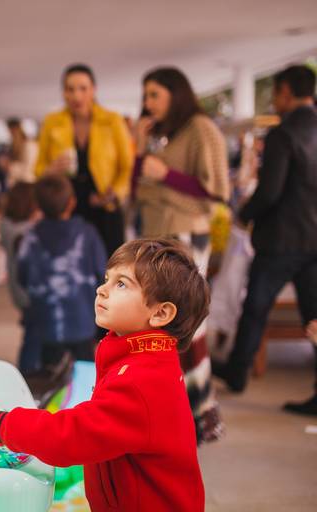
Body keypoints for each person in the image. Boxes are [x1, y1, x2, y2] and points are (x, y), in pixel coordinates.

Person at [0, 238, 208, 512]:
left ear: (160, 313)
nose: (101, 290)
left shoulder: (142, 381)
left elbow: (71, 437)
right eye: (107, 279)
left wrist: (1, 424)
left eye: (121, 284)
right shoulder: (142, 358)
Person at [133, 66, 229, 443]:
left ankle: (204, 412)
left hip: (187, 233)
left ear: (176, 93)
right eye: (145, 96)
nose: (148, 103)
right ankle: (183, 411)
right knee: (167, 325)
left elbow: (217, 189)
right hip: (161, 233)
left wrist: (165, 175)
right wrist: (141, 146)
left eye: (154, 95)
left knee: (187, 325)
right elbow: (139, 182)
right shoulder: (167, 133)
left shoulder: (201, 129)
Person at [215, 65, 317, 416]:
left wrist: (245, 215)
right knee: (315, 317)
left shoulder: (283, 133)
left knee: (255, 307)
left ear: (286, 91)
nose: (275, 100)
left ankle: (238, 372)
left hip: (282, 238)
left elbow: (270, 191)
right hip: (315, 239)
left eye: (275, 92)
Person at [35, 64, 133, 256]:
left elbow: (127, 167)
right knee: (69, 263)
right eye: (70, 89)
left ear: (93, 90)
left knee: (110, 267)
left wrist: (114, 193)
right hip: (66, 206)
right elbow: (38, 169)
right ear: (63, 93)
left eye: (82, 88)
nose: (76, 96)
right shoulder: (52, 122)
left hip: (105, 206)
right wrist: (50, 170)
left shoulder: (112, 121)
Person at [16, 175, 106, 374]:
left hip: (45, 322)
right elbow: (102, 273)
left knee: (49, 376)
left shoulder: (30, 237)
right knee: (86, 378)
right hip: (82, 321)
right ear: (72, 202)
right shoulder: (87, 234)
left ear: (38, 206)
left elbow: (22, 275)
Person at [0, 182, 40, 372]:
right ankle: (28, 372)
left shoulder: (7, 225)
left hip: (18, 289)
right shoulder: (24, 234)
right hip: (28, 292)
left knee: (31, 330)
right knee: (33, 335)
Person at [6, 118, 38, 186]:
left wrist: (10, 166)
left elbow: (29, 168)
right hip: (18, 184)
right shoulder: (15, 146)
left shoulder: (29, 145)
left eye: (12, 131)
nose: (11, 135)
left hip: (26, 185)